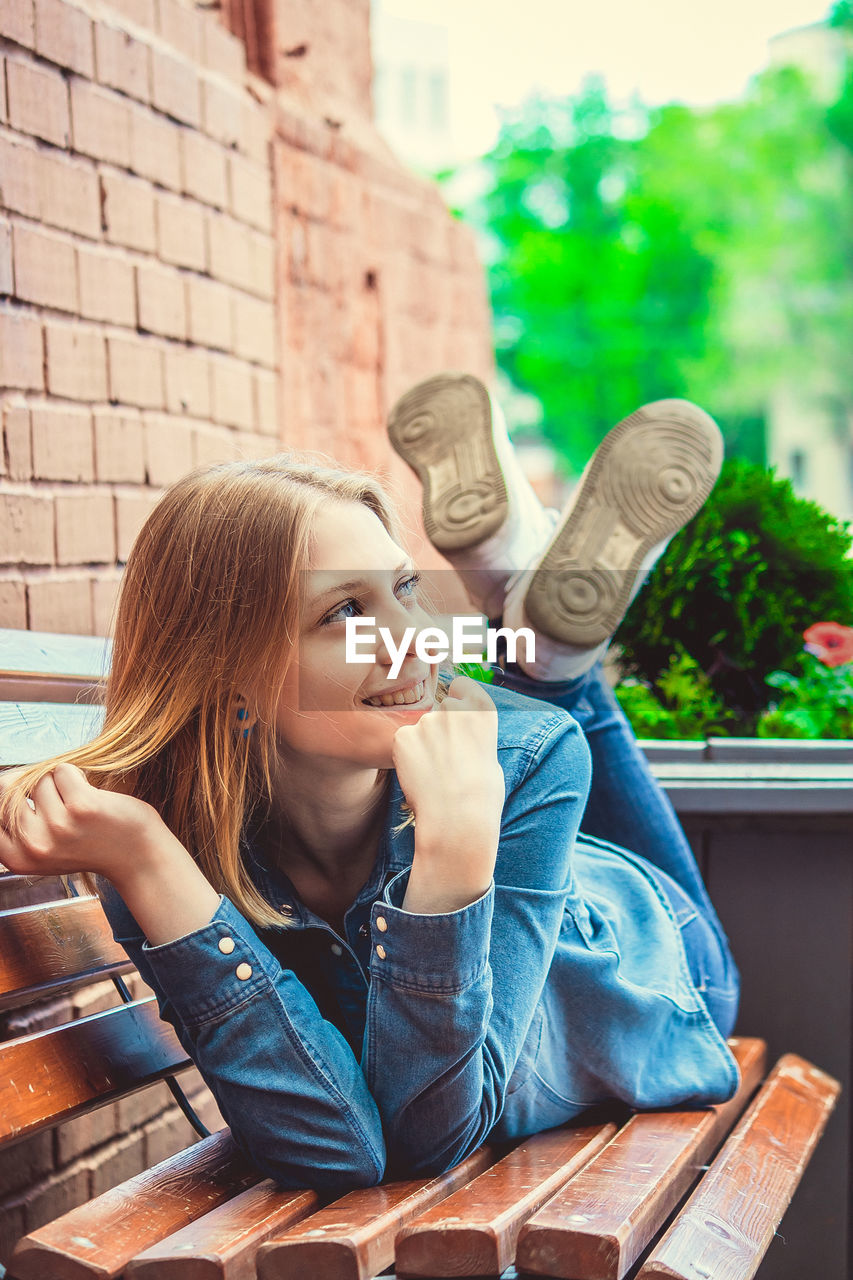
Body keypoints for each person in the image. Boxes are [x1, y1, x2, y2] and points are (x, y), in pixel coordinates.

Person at [0, 373, 740, 1193]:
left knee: (539, 718)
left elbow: (432, 1144)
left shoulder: (525, 757)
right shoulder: (153, 836)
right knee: (520, 705)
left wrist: (455, 864)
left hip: (659, 961)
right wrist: (146, 861)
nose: (417, 641)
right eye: (344, 614)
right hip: (521, 845)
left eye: (405, 589)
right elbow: (339, 1153)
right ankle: (528, 618)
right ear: (230, 681)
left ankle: (549, 657)